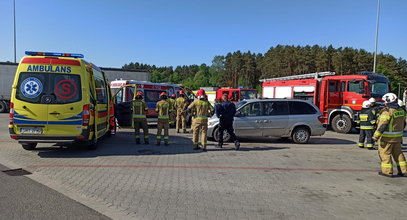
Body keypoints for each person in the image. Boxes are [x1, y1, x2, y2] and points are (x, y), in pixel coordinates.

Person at [372, 93, 407, 177]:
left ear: (387, 101)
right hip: (398, 138)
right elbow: (404, 123)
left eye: (384, 101)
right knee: (398, 154)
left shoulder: (387, 112)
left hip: (386, 139)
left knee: (385, 154)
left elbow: (382, 126)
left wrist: (375, 136)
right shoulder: (401, 111)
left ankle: (387, 172)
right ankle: (404, 171)